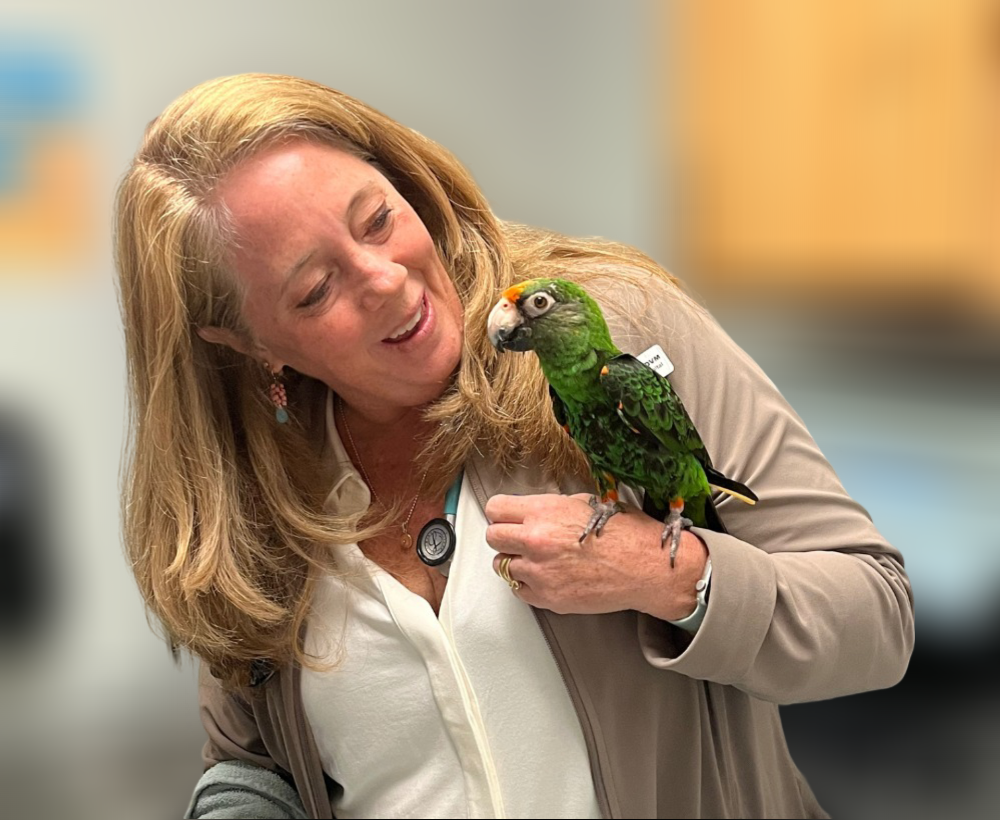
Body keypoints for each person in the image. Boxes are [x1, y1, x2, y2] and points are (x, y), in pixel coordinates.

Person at [114, 74, 914, 820]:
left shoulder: (627, 336)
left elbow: (875, 619)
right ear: (251, 343)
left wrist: (669, 575)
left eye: (379, 220)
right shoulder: (251, 489)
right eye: (315, 289)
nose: (386, 279)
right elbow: (254, 759)